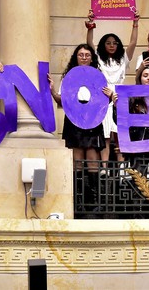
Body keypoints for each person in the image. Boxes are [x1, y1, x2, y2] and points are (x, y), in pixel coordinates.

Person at [48, 44, 112, 213]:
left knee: (92, 158)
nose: (84, 57)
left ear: (92, 58)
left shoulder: (99, 76)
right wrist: (53, 91)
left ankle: (94, 201)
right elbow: (62, 102)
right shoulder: (68, 77)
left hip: (92, 119)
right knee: (76, 160)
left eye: (87, 55)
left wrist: (111, 97)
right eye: (81, 54)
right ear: (76, 57)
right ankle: (77, 201)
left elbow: (104, 102)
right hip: (74, 119)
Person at [85, 9, 139, 174]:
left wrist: (135, 23)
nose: (111, 45)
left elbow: (133, 43)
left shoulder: (123, 59)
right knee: (106, 135)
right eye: (108, 42)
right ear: (103, 44)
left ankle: (122, 169)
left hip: (120, 96)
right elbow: (89, 44)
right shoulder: (99, 59)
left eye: (114, 43)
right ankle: (105, 168)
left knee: (120, 134)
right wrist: (91, 26)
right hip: (103, 96)